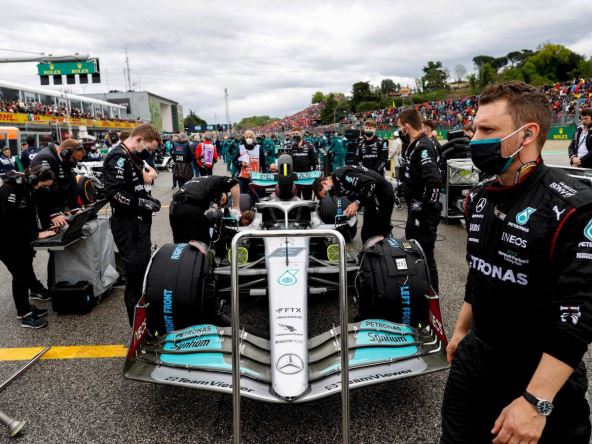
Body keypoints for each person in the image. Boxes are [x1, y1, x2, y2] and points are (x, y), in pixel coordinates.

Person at [441, 81, 592, 444]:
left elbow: (579, 315)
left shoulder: (573, 207)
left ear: (527, 134)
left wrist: (537, 401)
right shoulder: (478, 198)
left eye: (487, 130)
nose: (474, 139)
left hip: (539, 373)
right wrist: (461, 331)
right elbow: (480, 272)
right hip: (476, 359)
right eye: (475, 128)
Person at [103, 124, 162, 326]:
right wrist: (140, 203)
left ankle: (145, 319)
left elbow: (136, 186)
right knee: (135, 276)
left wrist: (147, 196)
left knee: (144, 272)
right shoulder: (118, 157)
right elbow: (113, 193)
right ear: (138, 140)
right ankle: (137, 325)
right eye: (148, 148)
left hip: (139, 223)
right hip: (127, 225)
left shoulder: (132, 157)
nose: (148, 153)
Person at [0, 166, 58, 328]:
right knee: (20, 275)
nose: (41, 188)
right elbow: (9, 220)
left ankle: (27, 305)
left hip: (18, 238)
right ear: (34, 179)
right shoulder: (10, 190)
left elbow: (28, 215)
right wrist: (35, 234)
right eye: (42, 185)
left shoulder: (26, 187)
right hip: (6, 240)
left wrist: (43, 230)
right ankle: (24, 313)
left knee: (24, 271)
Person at [397, 109, 442, 293]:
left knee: (425, 254)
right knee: (415, 251)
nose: (399, 131)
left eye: (400, 127)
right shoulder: (414, 144)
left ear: (407, 126)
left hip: (423, 212)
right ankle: (420, 291)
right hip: (414, 208)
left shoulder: (423, 146)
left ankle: (432, 297)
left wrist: (424, 205)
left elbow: (434, 180)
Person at [312, 165, 394, 242]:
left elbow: (370, 184)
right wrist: (350, 210)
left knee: (381, 232)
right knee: (366, 235)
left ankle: (388, 244)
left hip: (383, 194)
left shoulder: (342, 175)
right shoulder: (337, 187)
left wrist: (356, 203)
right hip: (370, 199)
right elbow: (357, 194)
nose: (329, 195)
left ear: (324, 183)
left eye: (326, 193)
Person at [30, 138, 85, 229]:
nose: (74, 162)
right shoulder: (45, 158)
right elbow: (42, 188)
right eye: (74, 159)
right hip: (45, 209)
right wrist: (53, 213)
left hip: (58, 207)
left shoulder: (64, 159)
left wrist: (74, 208)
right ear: (65, 152)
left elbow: (71, 182)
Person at [169, 175, 241, 244]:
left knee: (180, 243)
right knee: (201, 242)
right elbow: (234, 182)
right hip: (190, 207)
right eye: (222, 201)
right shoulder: (218, 181)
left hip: (174, 207)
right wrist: (236, 207)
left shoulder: (201, 181)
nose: (218, 202)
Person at [233, 130, 272, 194]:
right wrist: (240, 163)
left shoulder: (259, 148)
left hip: (256, 178)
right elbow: (234, 161)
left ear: (253, 138)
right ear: (244, 138)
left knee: (255, 195)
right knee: (243, 196)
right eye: (247, 137)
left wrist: (264, 175)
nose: (248, 139)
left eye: (250, 137)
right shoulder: (240, 148)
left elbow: (263, 163)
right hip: (243, 178)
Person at [286, 129, 318, 199]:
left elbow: (315, 161)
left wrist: (315, 175)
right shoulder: (289, 146)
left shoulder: (310, 146)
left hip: (307, 177)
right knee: (295, 198)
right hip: (294, 177)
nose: (295, 135)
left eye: (297, 133)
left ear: (302, 134)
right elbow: (285, 162)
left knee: (307, 197)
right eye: (294, 134)